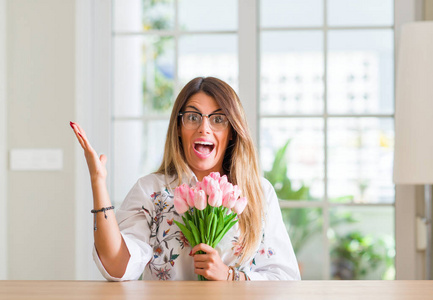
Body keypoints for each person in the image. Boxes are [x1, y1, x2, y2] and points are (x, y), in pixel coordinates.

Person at [70, 76, 301, 281]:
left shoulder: (258, 191)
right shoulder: (150, 190)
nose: (204, 128)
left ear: (232, 131)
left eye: (218, 119)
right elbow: (117, 267)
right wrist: (98, 182)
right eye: (192, 117)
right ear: (179, 127)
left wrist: (230, 276)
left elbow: (286, 278)